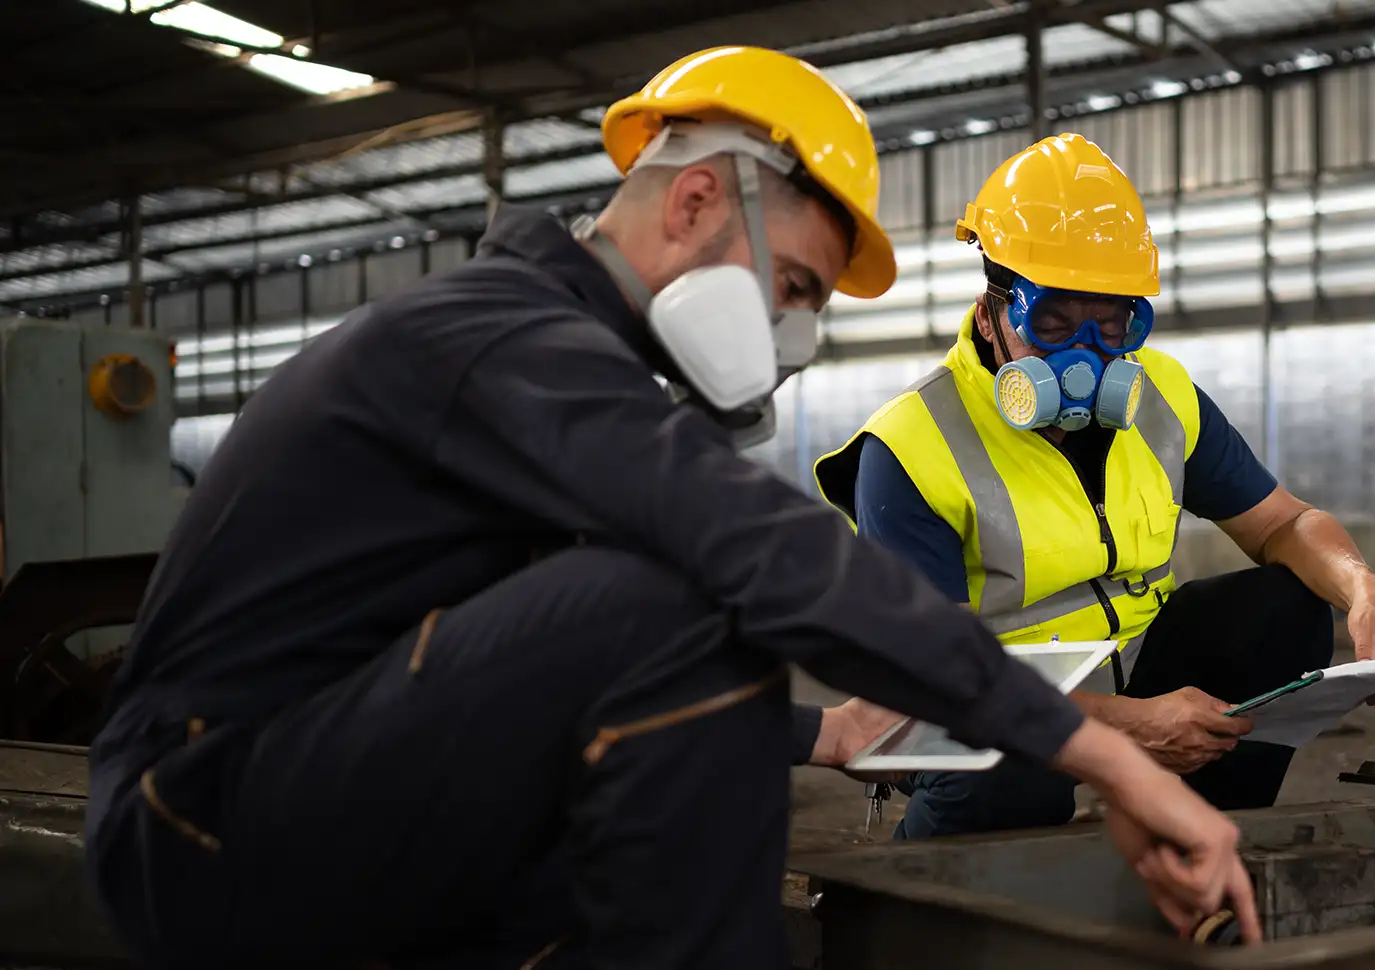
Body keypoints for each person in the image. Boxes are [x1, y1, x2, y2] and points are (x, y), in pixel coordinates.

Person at [85, 48, 1260, 970]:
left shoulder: (542, 367)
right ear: (697, 199)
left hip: (298, 788)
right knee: (687, 590)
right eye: (794, 285)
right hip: (198, 822)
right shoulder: (500, 337)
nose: (791, 333)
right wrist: (1106, 754)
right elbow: (744, 542)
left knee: (672, 632)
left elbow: (514, 649)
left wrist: (826, 733)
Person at [805, 134, 1375, 841]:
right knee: (1003, 757)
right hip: (989, 699)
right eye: (1051, 322)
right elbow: (945, 681)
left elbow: (1283, 525)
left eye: (1110, 324)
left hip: (1143, 666)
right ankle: (922, 895)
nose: (1083, 355)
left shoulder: (1162, 397)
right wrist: (1134, 726)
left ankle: (1204, 847)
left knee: (1286, 605)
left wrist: (1365, 591)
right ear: (993, 313)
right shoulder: (911, 446)